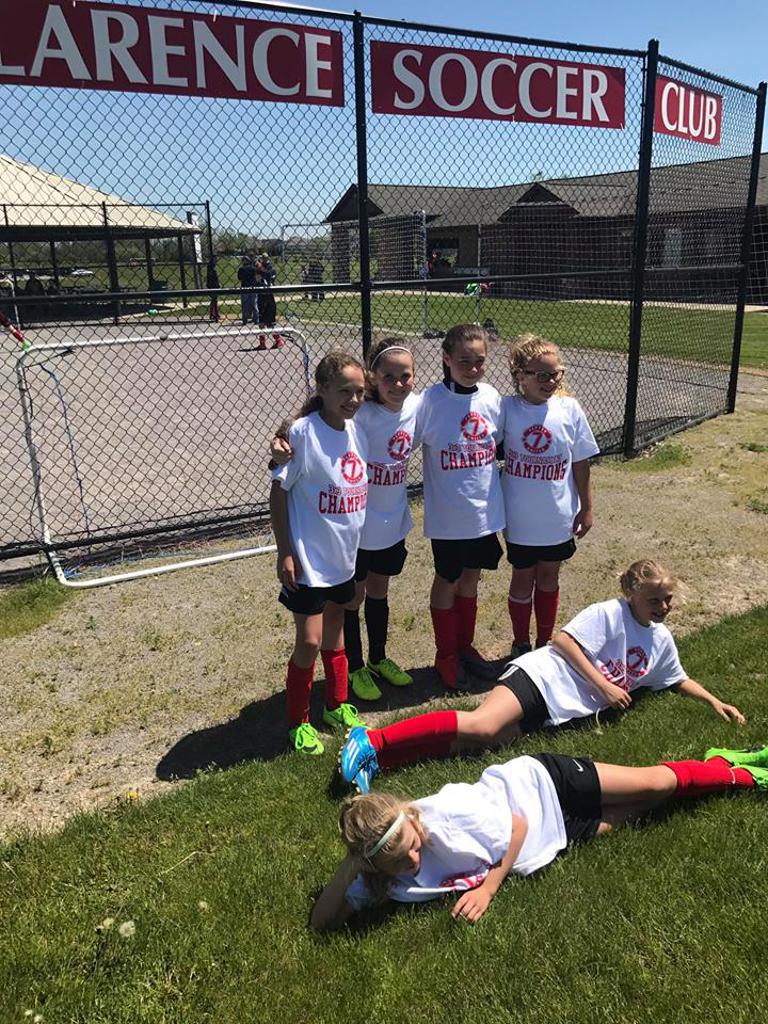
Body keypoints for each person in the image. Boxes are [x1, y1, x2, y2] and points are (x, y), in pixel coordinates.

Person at [339, 559, 745, 792]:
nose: (663, 607)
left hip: (558, 707)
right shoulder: (610, 613)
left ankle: (381, 762)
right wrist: (603, 685)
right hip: (544, 677)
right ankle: (372, 740)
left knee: (478, 744)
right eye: (654, 599)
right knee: (482, 725)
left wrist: (714, 701)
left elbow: (675, 678)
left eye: (667, 599)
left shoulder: (661, 639)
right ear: (632, 594)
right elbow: (561, 641)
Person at [312, 742, 768, 930]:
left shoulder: (451, 815)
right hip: (553, 835)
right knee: (641, 812)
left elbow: (517, 824)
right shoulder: (381, 875)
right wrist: (353, 865)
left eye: (413, 847)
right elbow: (321, 924)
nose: (412, 862)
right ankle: (715, 770)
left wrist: (489, 889)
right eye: (397, 862)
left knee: (654, 785)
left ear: (414, 820)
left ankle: (737, 772)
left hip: (543, 784)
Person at [271, 339, 422, 703]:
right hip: (341, 539)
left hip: (382, 528)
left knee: (374, 594)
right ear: (374, 378)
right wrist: (279, 443)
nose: (398, 384)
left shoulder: (412, 407)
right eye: (388, 377)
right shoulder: (350, 418)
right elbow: (296, 453)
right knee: (341, 610)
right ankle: (351, 671)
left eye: (405, 376)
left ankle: (374, 661)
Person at [270, 351, 370, 754]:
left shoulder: (357, 430)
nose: (353, 399)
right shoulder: (303, 433)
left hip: (343, 556)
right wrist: (285, 551)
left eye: (359, 391)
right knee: (309, 642)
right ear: (323, 389)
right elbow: (279, 493)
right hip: (308, 560)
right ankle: (298, 722)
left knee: (337, 627)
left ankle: (336, 704)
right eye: (344, 391)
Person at [418, 323, 504, 690]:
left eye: (479, 360)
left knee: (471, 578)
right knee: (447, 579)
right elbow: (395, 431)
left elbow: (501, 441)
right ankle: (446, 654)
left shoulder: (492, 397)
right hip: (449, 517)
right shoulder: (429, 402)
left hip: (483, 513)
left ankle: (464, 646)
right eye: (464, 361)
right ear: (446, 359)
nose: (472, 368)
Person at [502, 334, 599, 658]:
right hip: (520, 518)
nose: (551, 381)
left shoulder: (569, 408)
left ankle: (544, 642)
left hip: (557, 516)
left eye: (556, 373)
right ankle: (520, 642)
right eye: (542, 375)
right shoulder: (507, 409)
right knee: (522, 577)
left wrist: (586, 508)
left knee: (548, 577)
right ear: (520, 376)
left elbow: (581, 462)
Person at [255, 253, 284, 350]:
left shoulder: (269, 269)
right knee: (262, 322)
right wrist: (258, 269)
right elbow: (257, 280)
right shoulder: (260, 269)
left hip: (268, 296)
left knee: (270, 322)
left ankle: (278, 340)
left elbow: (268, 275)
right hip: (262, 296)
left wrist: (260, 269)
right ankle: (263, 343)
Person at [237, 255, 258, 326]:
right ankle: (256, 319)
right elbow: (256, 278)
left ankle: (245, 320)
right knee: (254, 304)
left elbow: (239, 278)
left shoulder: (241, 269)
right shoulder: (253, 268)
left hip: (245, 288)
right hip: (253, 288)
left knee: (245, 305)